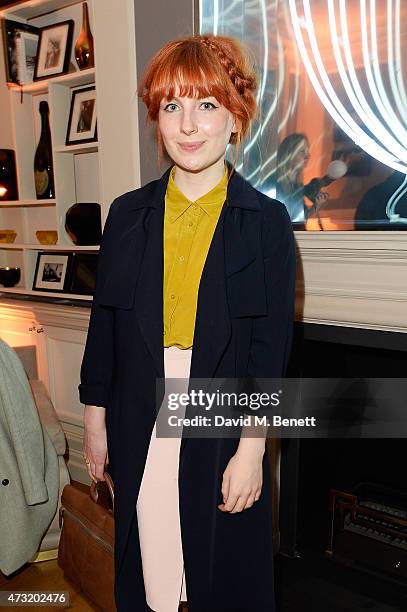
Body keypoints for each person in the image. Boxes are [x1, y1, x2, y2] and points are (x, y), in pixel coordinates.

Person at [79, 34, 296, 612]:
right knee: (152, 561)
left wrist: (252, 451)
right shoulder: (128, 213)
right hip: (137, 411)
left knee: (216, 570)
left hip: (221, 411)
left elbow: (268, 353)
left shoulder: (265, 223)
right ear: (158, 119)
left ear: (235, 116)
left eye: (207, 104)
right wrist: (95, 421)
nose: (188, 124)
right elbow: (106, 329)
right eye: (172, 106)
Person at [276, 132, 328, 224]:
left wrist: (317, 205)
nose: (308, 156)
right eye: (302, 151)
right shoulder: (273, 185)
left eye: (307, 151)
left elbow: (299, 218)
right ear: (288, 154)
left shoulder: (297, 185)